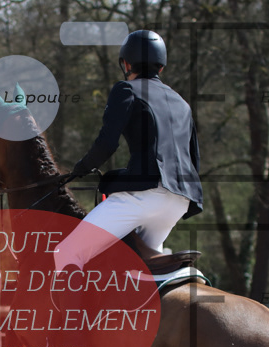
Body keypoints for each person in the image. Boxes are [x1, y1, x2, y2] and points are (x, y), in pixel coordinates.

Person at [53, 30, 203, 274]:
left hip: (143, 196)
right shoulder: (182, 103)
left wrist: (80, 168)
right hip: (180, 200)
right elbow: (194, 159)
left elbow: (107, 143)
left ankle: (73, 303)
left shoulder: (126, 89)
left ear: (126, 64)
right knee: (137, 269)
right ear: (161, 67)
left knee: (67, 253)